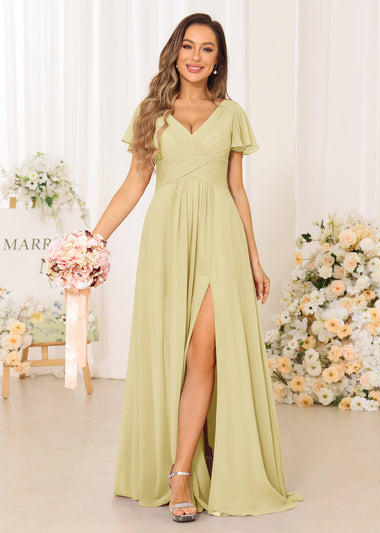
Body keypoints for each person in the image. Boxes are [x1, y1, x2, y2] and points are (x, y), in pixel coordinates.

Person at [93, 12, 303, 523]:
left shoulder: (230, 114)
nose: (195, 56)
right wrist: (91, 242)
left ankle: (182, 472)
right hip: (167, 240)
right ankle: (187, 455)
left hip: (221, 240)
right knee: (171, 352)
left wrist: (254, 257)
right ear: (175, 52)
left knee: (201, 350)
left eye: (207, 49)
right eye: (188, 46)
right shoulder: (152, 111)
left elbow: (237, 189)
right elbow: (133, 184)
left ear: (217, 61)